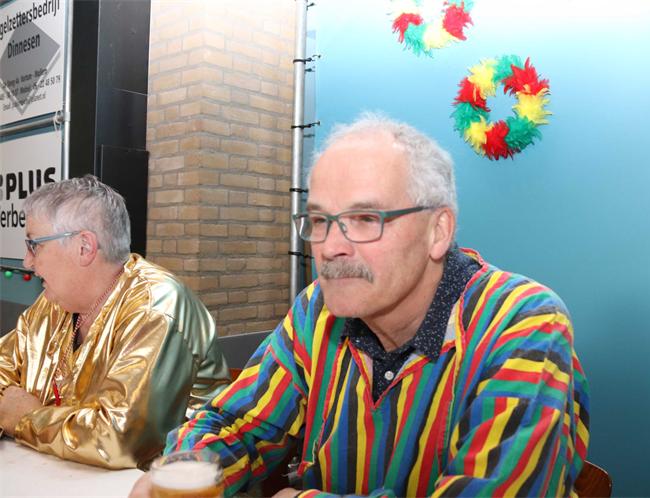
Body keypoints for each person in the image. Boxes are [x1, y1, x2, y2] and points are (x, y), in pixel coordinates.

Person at [131, 113, 591, 497]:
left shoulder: (522, 323)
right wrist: (179, 472)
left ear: (438, 231)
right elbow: (236, 424)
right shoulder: (316, 311)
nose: (330, 247)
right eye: (319, 220)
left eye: (366, 218)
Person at [0, 175, 230, 469]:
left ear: (84, 247)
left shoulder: (157, 306)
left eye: (35, 245)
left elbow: (118, 439)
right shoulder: (54, 303)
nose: (27, 261)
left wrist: (26, 418)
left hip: (169, 482)